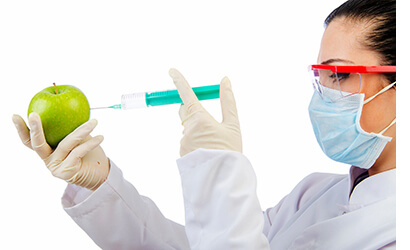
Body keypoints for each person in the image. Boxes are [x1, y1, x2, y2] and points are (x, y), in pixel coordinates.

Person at [12, 0, 396, 249]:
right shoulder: (313, 194)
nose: (322, 95)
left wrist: (217, 168)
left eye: (341, 76)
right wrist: (101, 184)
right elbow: (206, 244)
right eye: (319, 77)